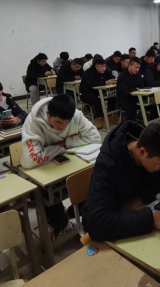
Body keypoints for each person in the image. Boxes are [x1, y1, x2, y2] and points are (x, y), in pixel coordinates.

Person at [82, 120, 160, 286]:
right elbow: (96, 223)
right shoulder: (107, 164)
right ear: (142, 152)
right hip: (111, 232)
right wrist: (151, 219)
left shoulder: (155, 145)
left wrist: (142, 197)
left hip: (133, 218)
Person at [21, 94, 100, 235]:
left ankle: (77, 214)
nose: (62, 127)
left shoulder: (75, 115)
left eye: (67, 123)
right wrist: (61, 147)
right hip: (45, 168)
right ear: (48, 114)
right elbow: (29, 160)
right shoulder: (33, 121)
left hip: (65, 161)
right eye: (58, 122)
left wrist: (66, 143)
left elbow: (95, 138)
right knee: (47, 188)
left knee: (88, 177)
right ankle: (61, 224)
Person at [80, 58, 117, 129]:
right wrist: (106, 82)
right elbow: (92, 83)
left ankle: (111, 116)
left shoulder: (105, 71)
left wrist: (114, 80)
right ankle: (99, 118)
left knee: (112, 98)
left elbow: (111, 77)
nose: (103, 68)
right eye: (101, 67)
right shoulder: (89, 72)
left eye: (104, 66)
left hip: (100, 92)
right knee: (97, 100)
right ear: (96, 66)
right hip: (87, 94)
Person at [116, 57, 144, 121]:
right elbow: (124, 92)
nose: (137, 69)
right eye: (135, 67)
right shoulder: (122, 76)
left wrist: (135, 89)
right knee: (131, 106)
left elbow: (142, 87)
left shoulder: (138, 75)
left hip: (136, 98)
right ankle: (131, 124)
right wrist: (135, 89)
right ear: (129, 65)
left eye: (138, 68)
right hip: (124, 100)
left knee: (152, 104)